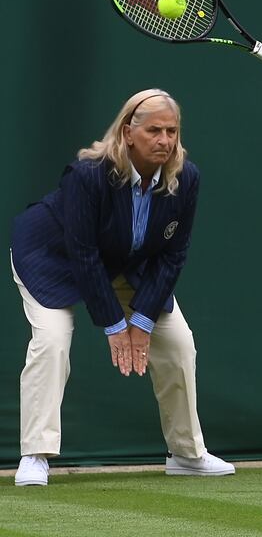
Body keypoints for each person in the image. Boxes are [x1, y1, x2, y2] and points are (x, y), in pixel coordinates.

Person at [10, 89, 234, 486]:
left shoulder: (186, 178)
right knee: (52, 341)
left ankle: (186, 453)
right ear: (128, 132)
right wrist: (115, 326)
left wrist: (143, 320)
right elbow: (82, 253)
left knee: (179, 342)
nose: (165, 140)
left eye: (172, 131)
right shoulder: (89, 174)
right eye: (154, 131)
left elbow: (172, 255)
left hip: (130, 264)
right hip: (52, 257)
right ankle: (35, 454)